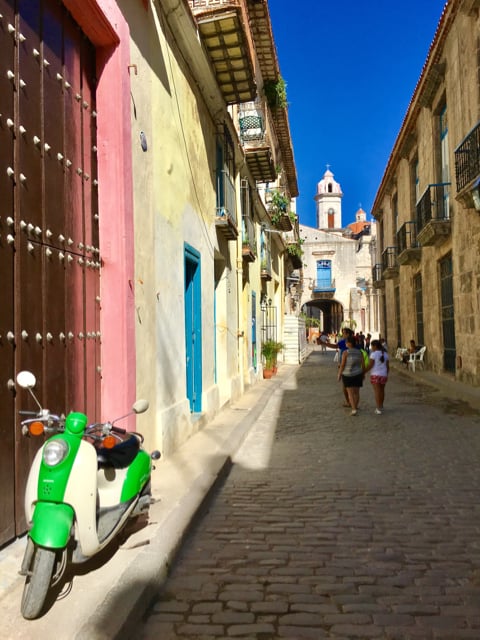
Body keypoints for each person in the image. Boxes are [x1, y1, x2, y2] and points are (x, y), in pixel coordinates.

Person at [325, 328, 354, 407]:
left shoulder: (347, 342)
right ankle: (352, 403)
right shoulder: (350, 341)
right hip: (353, 367)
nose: (343, 335)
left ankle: (350, 402)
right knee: (352, 387)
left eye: (344, 333)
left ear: (348, 334)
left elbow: (335, 346)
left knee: (346, 386)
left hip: (346, 367)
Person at [337, 335, 365, 416]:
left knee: (350, 393)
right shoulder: (360, 352)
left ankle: (353, 409)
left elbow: (342, 365)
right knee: (357, 392)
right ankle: (355, 406)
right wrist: (363, 374)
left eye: (346, 342)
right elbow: (362, 364)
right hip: (358, 374)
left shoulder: (346, 353)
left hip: (347, 374)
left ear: (349, 343)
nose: (345, 343)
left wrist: (339, 374)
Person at [365, 339, 390, 414]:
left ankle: (378, 408)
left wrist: (364, 372)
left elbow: (370, 365)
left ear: (375, 346)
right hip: (383, 374)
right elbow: (388, 366)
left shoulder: (373, 354)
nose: (371, 348)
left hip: (375, 374)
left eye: (372, 346)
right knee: (382, 391)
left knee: (377, 391)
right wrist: (386, 374)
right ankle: (381, 405)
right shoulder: (385, 354)